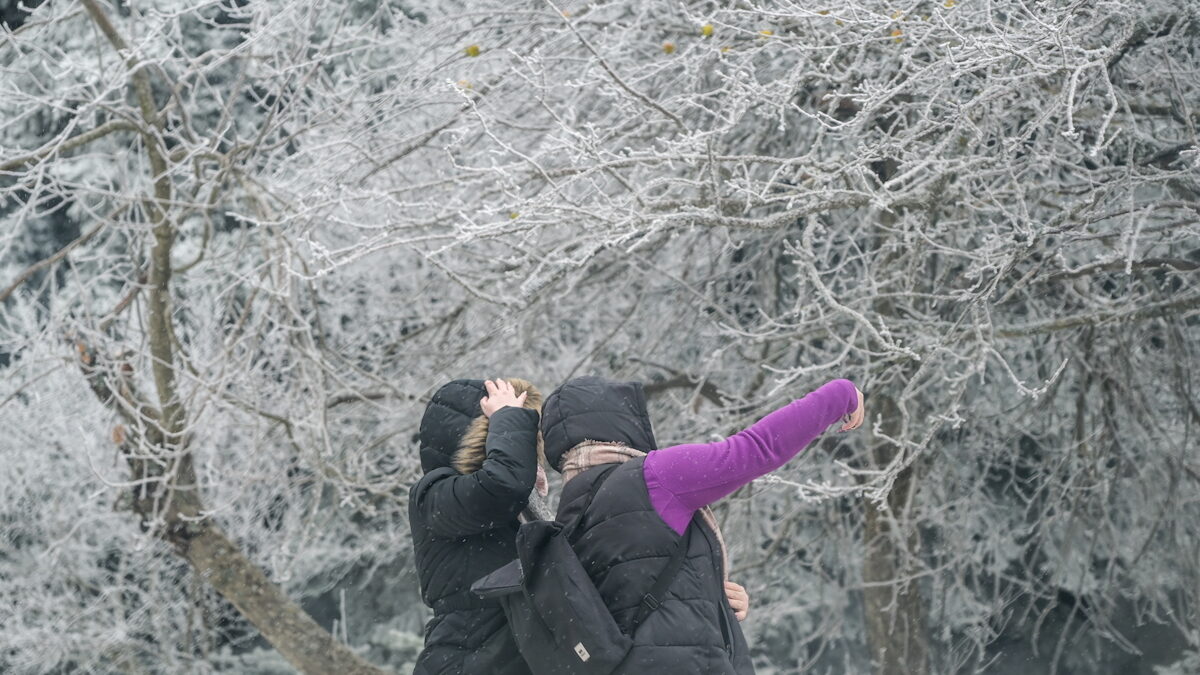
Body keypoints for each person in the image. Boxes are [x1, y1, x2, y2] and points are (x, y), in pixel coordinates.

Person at [539, 376, 864, 674]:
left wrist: (712, 596)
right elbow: (756, 449)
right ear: (622, 420)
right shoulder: (653, 477)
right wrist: (839, 395)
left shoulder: (566, 520)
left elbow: (622, 601)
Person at [409, 378, 545, 675]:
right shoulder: (433, 494)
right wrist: (509, 419)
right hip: (468, 659)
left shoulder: (517, 505)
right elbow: (503, 486)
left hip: (498, 657)